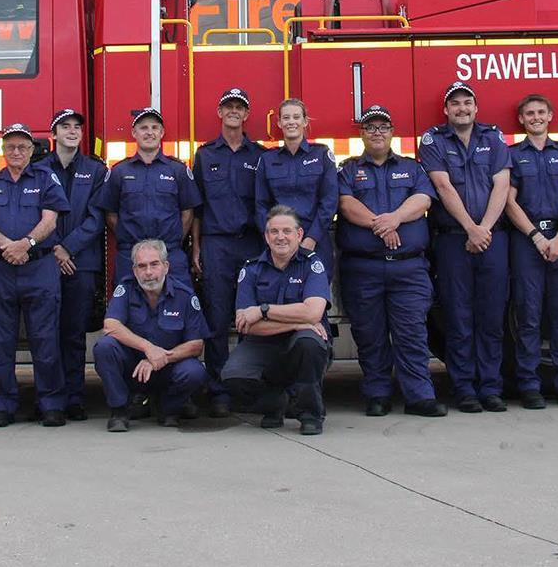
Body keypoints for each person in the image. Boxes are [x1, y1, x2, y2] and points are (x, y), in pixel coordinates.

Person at [335, 105, 445, 417]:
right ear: (362, 134)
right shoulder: (347, 169)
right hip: (363, 268)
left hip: (408, 268)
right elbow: (345, 204)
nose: (377, 132)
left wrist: (394, 219)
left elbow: (422, 199)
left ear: (392, 131)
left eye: (383, 126)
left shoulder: (412, 168)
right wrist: (381, 226)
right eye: (370, 127)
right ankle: (378, 393)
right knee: (370, 335)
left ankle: (419, 397)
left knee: (412, 333)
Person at [419, 81, 512, 413]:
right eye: (455, 104)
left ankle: (491, 388)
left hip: (491, 238)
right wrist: (471, 229)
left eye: (467, 103)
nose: (461, 108)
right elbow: (442, 186)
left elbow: (502, 185)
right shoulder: (433, 141)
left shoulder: (493, 138)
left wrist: (483, 229)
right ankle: (464, 389)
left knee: (491, 316)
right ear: (446, 110)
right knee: (458, 317)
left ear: (476, 109)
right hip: (454, 240)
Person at [0, 124, 70, 427]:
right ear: (3, 150)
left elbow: (50, 220)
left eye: (22, 147)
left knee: (45, 338)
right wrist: (7, 246)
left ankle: (50, 403)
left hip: (38, 267)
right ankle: (2, 404)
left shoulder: (45, 179)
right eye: (11, 147)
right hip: (0, 267)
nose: (16, 152)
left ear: (31, 150)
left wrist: (26, 244)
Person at [502, 95, 558, 409]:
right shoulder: (512, 155)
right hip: (527, 240)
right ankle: (529, 385)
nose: (536, 117)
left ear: (550, 116)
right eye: (529, 113)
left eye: (541, 112)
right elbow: (509, 201)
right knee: (528, 315)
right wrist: (537, 237)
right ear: (521, 119)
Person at [190, 87, 265, 417]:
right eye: (228, 106)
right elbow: (197, 207)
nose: (234, 111)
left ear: (246, 114)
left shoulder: (260, 155)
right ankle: (219, 389)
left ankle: (248, 386)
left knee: (252, 318)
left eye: (239, 107)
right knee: (217, 319)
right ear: (219, 112)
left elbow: (265, 204)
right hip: (216, 244)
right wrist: (196, 246)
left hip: (251, 243)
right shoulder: (205, 155)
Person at [224, 206, 333, 435]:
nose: (280, 237)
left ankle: (310, 414)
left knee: (308, 343)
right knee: (233, 377)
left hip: (301, 341)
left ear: (299, 235)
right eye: (274, 231)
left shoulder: (312, 265)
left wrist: (263, 311)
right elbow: (245, 324)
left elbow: (313, 313)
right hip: (264, 343)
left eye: (287, 231)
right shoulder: (251, 269)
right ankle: (274, 403)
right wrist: (297, 321)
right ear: (266, 236)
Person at [36, 108, 108, 420]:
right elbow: (33, 215)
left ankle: (74, 398)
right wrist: (54, 249)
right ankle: (50, 398)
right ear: (53, 134)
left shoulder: (95, 170)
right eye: (64, 126)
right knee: (46, 332)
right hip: (45, 262)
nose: (72, 131)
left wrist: (68, 248)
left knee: (75, 333)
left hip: (81, 263)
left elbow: (97, 217)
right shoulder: (38, 169)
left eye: (77, 127)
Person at [95, 240, 210, 431]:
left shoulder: (185, 295)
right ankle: (119, 411)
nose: (148, 272)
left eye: (154, 264)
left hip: (168, 369)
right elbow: (111, 325)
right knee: (105, 347)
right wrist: (149, 349)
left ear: (166, 267)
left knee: (194, 371)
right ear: (134, 270)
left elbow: (196, 345)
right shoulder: (126, 289)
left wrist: (162, 357)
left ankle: (168, 408)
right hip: (133, 369)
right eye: (142, 266)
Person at [93, 108, 201, 284]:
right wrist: (130, 238)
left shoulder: (178, 170)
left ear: (162, 132)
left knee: (176, 307)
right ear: (134, 133)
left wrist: (169, 242)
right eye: (143, 128)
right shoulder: (119, 171)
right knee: (129, 308)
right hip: (131, 254)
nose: (149, 132)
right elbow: (110, 214)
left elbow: (187, 212)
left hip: (169, 253)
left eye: (154, 127)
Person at [255, 98, 339, 278]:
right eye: (286, 118)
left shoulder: (322, 154)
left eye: (296, 117)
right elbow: (261, 205)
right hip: (279, 243)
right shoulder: (267, 160)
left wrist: (311, 239)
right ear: (278, 123)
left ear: (305, 121)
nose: (291, 122)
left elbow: (329, 201)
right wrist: (273, 239)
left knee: (316, 301)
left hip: (315, 241)